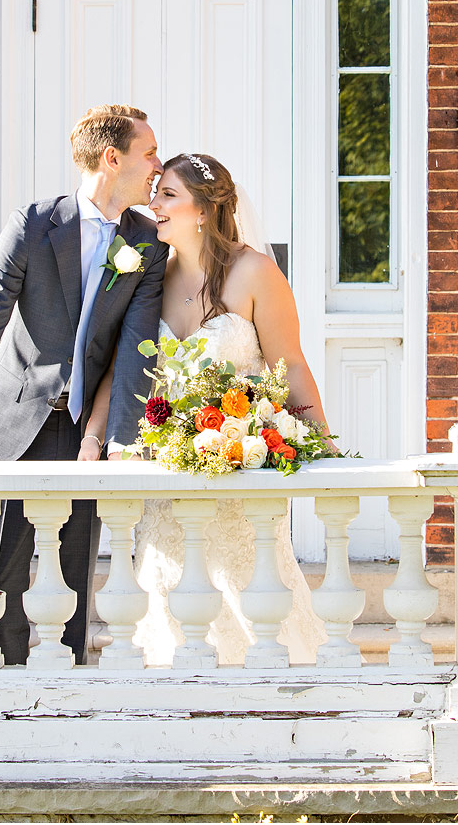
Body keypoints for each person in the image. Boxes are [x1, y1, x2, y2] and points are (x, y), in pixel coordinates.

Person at [0, 104, 168, 666]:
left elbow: (136, 346)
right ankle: (6, 686)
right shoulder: (34, 224)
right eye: (149, 154)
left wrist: (118, 441)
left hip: (86, 429)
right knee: (9, 573)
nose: (157, 168)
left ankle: (70, 688)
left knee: (78, 569)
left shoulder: (147, 242)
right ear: (112, 158)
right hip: (18, 420)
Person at [80, 151, 335, 665]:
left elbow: (291, 364)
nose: (154, 204)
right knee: (169, 598)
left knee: (249, 596)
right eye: (156, 193)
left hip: (238, 470)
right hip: (166, 470)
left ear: (203, 211)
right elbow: (121, 369)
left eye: (168, 194)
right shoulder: (150, 275)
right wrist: (93, 436)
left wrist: (321, 441)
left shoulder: (256, 273)